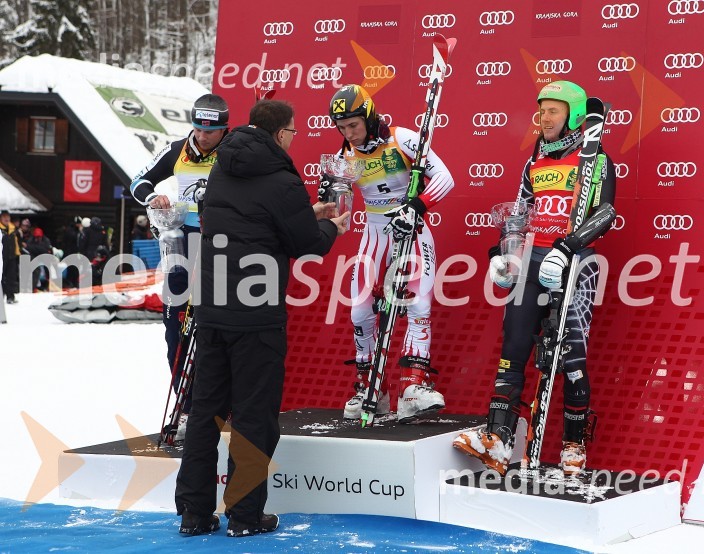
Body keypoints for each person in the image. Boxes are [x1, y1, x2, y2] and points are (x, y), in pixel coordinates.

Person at [174, 99, 350, 537]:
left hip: (213, 311)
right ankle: (245, 516)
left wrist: (307, 214)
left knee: (204, 415)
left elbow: (254, 221)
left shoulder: (221, 168)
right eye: (292, 132)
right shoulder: (282, 178)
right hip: (256, 318)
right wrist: (332, 227)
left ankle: (194, 514)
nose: (293, 139)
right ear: (278, 134)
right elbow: (307, 244)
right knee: (254, 417)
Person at [453, 81, 617, 476]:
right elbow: (519, 213)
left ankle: (574, 446)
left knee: (570, 357)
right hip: (533, 260)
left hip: (574, 262)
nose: (545, 117)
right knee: (514, 346)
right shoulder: (535, 161)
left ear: (575, 116)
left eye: (554, 111)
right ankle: (498, 438)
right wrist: (503, 255)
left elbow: (606, 213)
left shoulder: (595, 160)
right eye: (542, 110)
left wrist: (568, 247)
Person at [322, 84, 455, 423]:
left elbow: (445, 177)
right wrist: (329, 191)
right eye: (342, 127)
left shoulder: (403, 138)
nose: (348, 133)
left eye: (353, 124)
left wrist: (417, 205)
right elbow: (337, 202)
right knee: (359, 311)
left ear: (368, 116)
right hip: (375, 231)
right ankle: (370, 388)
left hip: (412, 227)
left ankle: (413, 387)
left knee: (419, 302)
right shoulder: (344, 157)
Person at [128, 93, 229, 441]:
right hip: (182, 247)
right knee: (175, 330)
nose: (202, 137)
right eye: (198, 129)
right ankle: (186, 407)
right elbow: (138, 180)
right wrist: (152, 197)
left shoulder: (233, 150)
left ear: (223, 130)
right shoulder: (177, 148)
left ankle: (217, 407)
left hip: (221, 248)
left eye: (210, 132)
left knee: (216, 333)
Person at [0, 210, 20, 303]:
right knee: (1, 277)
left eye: (8, 217)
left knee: (11, 277)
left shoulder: (13, 229)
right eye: (4, 217)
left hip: (11, 257)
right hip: (1, 257)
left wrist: (17, 253)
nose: (6, 219)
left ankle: (10, 297)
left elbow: (16, 242)